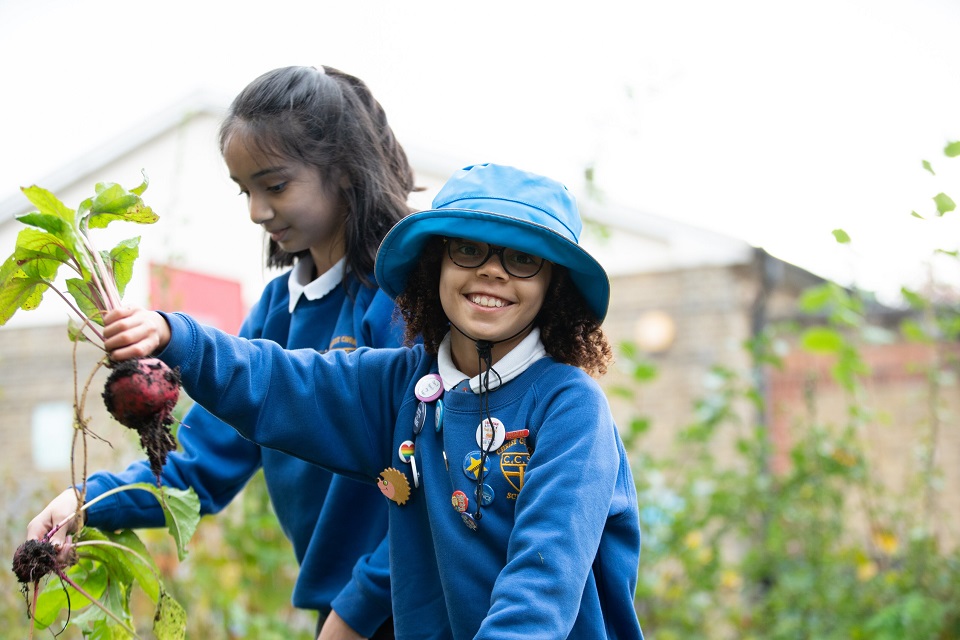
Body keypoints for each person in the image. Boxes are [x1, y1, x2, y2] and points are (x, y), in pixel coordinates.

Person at [99, 163, 644, 639]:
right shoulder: (399, 387)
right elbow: (280, 381)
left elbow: (542, 584)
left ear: (554, 286)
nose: (492, 270)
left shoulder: (570, 407)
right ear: (435, 267)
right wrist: (175, 336)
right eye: (469, 249)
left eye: (524, 259)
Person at [26, 65, 416, 640]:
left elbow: (429, 474)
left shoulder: (398, 302)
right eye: (245, 190)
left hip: (406, 610)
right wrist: (84, 500)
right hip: (340, 614)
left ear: (344, 170)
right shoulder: (275, 315)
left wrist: (357, 610)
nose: (257, 211)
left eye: (275, 186)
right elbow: (198, 467)